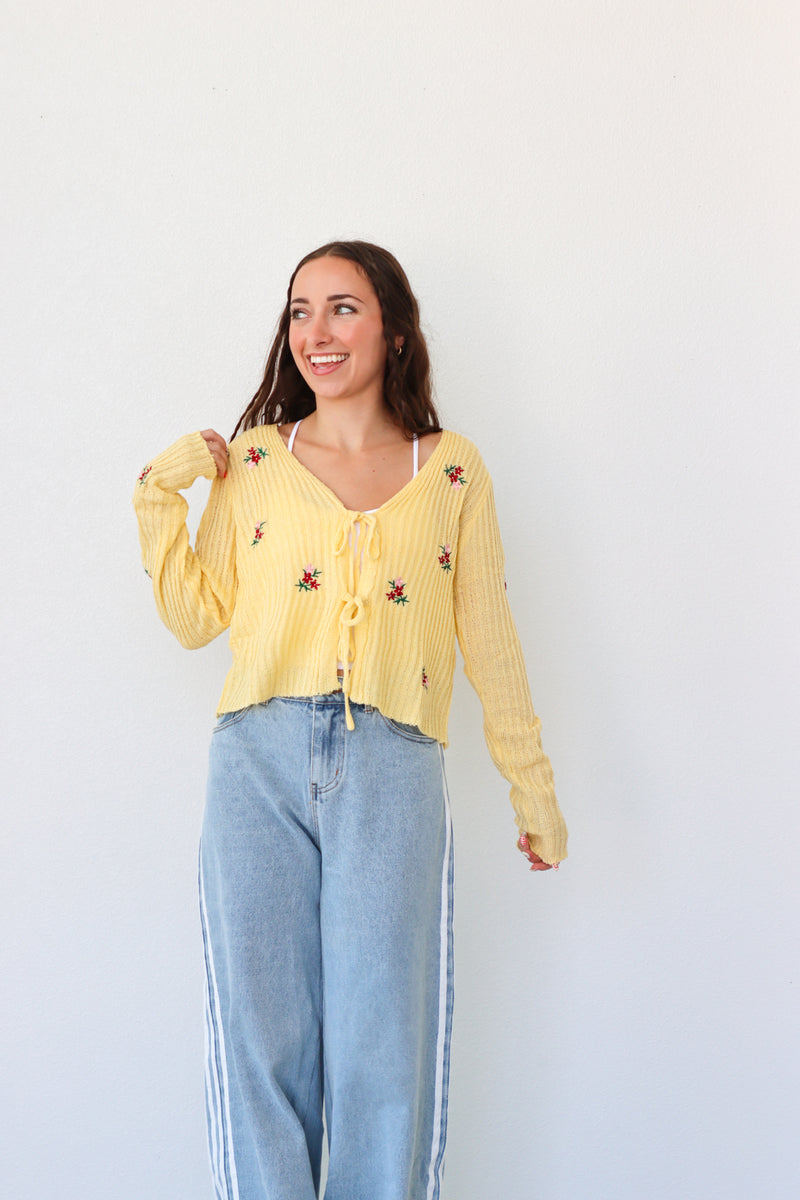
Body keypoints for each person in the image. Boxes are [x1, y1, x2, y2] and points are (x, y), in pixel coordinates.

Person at [133, 240, 567, 1200]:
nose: (315, 333)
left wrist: (531, 788)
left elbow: (490, 637)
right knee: (260, 1041)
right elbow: (196, 616)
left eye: (342, 308)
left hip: (394, 767)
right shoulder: (255, 461)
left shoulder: (451, 471)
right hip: (256, 765)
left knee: (384, 1042)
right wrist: (161, 491)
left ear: (394, 331)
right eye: (300, 311)